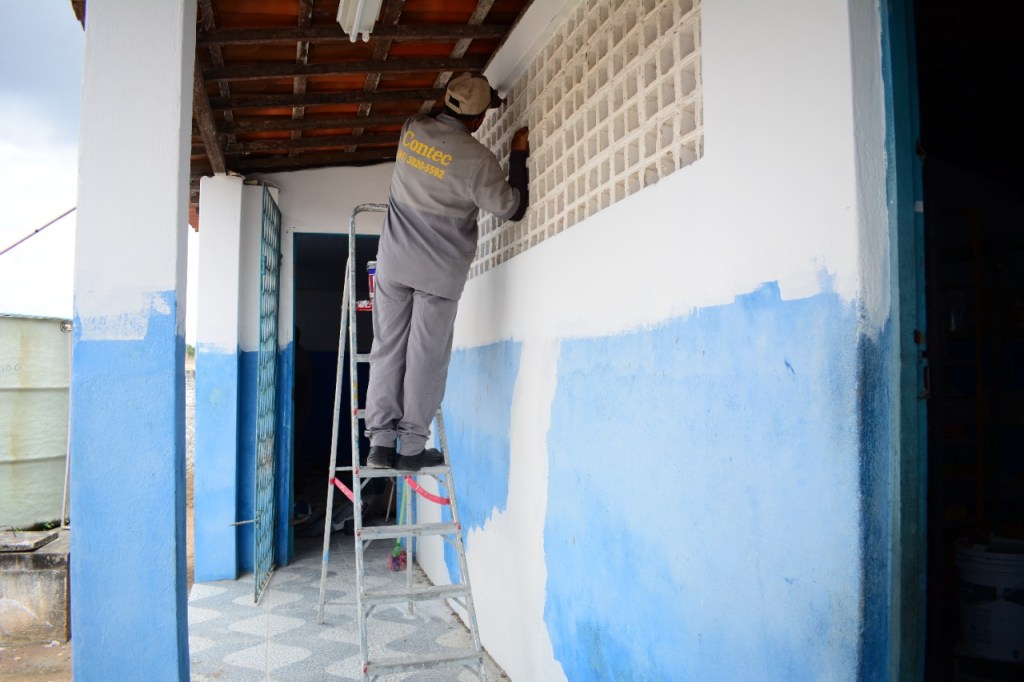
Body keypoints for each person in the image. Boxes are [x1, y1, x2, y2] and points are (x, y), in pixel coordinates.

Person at [364, 73, 530, 470]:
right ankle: (410, 449)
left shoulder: (412, 130)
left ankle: (380, 444)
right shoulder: (478, 162)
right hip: (438, 274)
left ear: (446, 99)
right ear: (479, 119)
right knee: (425, 357)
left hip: (394, 263)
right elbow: (513, 209)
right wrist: (517, 155)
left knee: (387, 349)